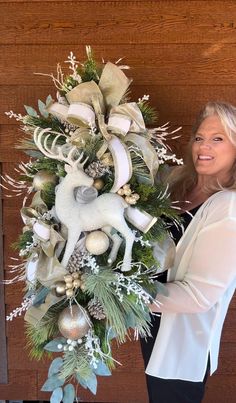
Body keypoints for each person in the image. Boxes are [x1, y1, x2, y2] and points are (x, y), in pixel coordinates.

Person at [141, 101, 236, 403]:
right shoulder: (180, 184)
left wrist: (125, 299)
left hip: (183, 342)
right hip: (154, 319)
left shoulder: (229, 206)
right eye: (199, 138)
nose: (203, 147)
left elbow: (200, 296)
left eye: (218, 139)